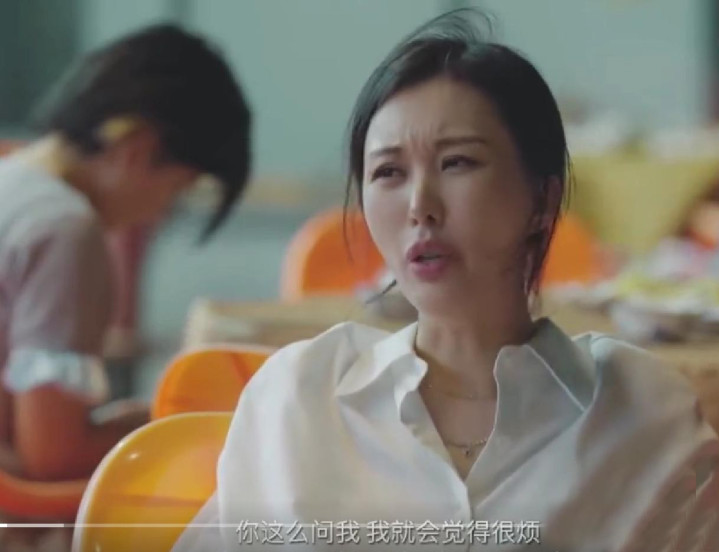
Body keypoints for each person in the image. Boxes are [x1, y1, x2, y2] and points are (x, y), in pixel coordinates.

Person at [174, 10, 718, 552]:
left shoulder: (640, 414)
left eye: (457, 163)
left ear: (542, 199)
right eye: (388, 172)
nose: (420, 206)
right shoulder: (303, 397)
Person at [0, 24, 251, 481]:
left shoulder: (12, 179)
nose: (160, 213)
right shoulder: (64, 229)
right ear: (138, 149)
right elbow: (51, 456)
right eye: (177, 190)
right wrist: (178, 431)